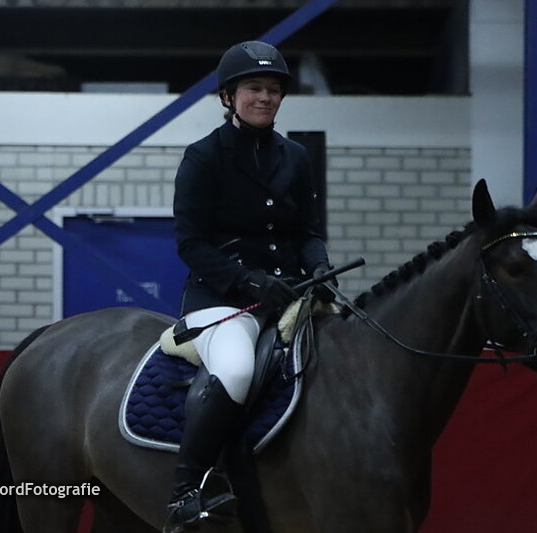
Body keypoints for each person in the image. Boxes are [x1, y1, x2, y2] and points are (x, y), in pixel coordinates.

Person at [165, 40, 335, 532]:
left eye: (274, 90)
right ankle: (184, 492)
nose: (265, 97)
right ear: (229, 97)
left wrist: (320, 266)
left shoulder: (296, 156)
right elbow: (190, 243)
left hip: (290, 293)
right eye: (254, 88)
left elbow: (306, 232)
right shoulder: (202, 158)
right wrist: (247, 281)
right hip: (221, 299)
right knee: (237, 370)